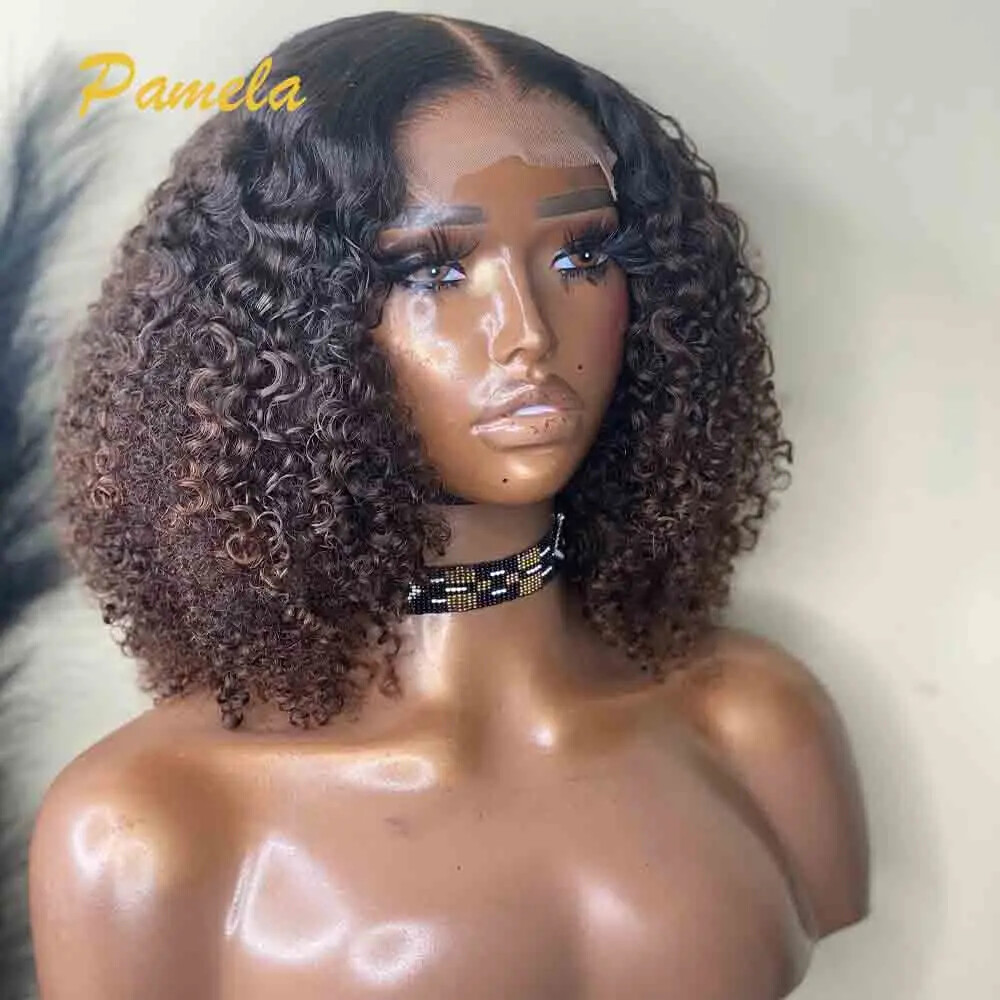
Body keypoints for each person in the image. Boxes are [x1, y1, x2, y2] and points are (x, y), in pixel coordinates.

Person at [29, 12, 869, 998]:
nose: (527, 333)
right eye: (432, 268)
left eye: (581, 256)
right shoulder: (148, 830)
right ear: (284, 328)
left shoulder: (758, 724)